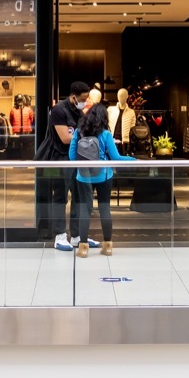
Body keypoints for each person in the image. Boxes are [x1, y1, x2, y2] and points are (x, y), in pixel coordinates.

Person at [70, 87, 136, 258]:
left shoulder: (78, 132)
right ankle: (107, 246)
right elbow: (116, 158)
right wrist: (133, 160)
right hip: (104, 175)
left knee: (85, 209)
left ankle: (83, 248)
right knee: (104, 208)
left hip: (83, 176)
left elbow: (72, 156)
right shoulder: (106, 134)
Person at [42, 81, 89, 251]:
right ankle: (60, 236)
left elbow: (80, 134)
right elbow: (65, 138)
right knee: (60, 197)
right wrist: (86, 138)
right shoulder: (58, 111)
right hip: (60, 159)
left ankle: (76, 236)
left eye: (86, 99)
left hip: (77, 159)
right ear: (73, 97)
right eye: (82, 99)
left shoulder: (79, 112)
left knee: (79, 197)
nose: (84, 102)